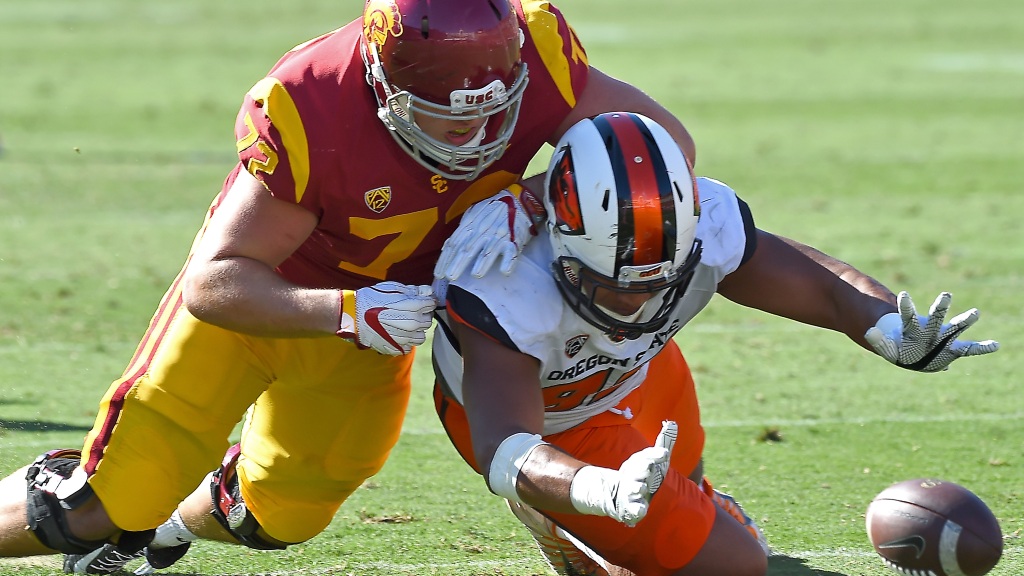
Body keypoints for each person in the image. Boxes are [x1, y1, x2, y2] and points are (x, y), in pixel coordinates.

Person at [0, 1, 701, 573]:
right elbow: (215, 282)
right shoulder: (313, 103)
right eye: (444, 115)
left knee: (277, 516)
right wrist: (349, 311)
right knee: (103, 503)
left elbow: (663, 145)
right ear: (383, 83)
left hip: (377, 327)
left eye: (496, 109)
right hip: (272, 306)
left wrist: (542, 194)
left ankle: (166, 523)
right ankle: (102, 507)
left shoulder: (540, 48)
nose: (475, 133)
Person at [431, 112, 999, 576]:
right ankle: (560, 520)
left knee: (683, 478)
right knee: (736, 566)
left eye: (659, 285)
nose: (637, 305)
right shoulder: (502, 282)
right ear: (559, 238)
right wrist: (594, 488)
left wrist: (889, 328)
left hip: (638, 369)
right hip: (549, 418)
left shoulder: (708, 229)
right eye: (609, 285)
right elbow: (506, 453)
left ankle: (612, 523)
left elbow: (828, 291)